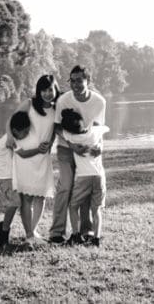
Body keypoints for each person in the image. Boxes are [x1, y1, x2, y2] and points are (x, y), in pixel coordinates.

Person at [49, 65, 106, 244]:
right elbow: (57, 126)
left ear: (87, 81)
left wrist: (99, 148)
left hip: (88, 149)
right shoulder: (63, 100)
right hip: (67, 148)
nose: (75, 84)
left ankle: (86, 231)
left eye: (79, 80)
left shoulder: (99, 102)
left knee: (86, 189)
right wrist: (72, 144)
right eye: (72, 81)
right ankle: (57, 232)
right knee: (66, 186)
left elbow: (98, 128)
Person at [6, 74, 59, 243]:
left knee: (41, 195)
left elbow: (54, 130)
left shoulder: (57, 108)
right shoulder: (29, 103)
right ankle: (29, 234)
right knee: (27, 197)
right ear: (39, 91)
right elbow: (11, 120)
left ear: (55, 89)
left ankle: (34, 231)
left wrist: (50, 144)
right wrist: (9, 137)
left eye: (50, 89)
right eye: (43, 90)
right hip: (26, 157)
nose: (47, 93)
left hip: (43, 156)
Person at [59, 109, 109, 246]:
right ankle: (96, 238)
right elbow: (105, 127)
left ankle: (76, 234)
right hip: (99, 176)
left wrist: (71, 145)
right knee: (97, 208)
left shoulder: (71, 137)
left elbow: (57, 129)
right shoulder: (95, 132)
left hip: (83, 178)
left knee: (73, 206)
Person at [0, 113, 30, 246]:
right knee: (15, 203)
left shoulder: (12, 137)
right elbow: (23, 154)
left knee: (16, 203)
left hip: (12, 178)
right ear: (15, 131)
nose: (26, 135)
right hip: (6, 178)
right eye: (25, 132)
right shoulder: (9, 140)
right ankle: (3, 231)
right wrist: (39, 149)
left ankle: (3, 227)